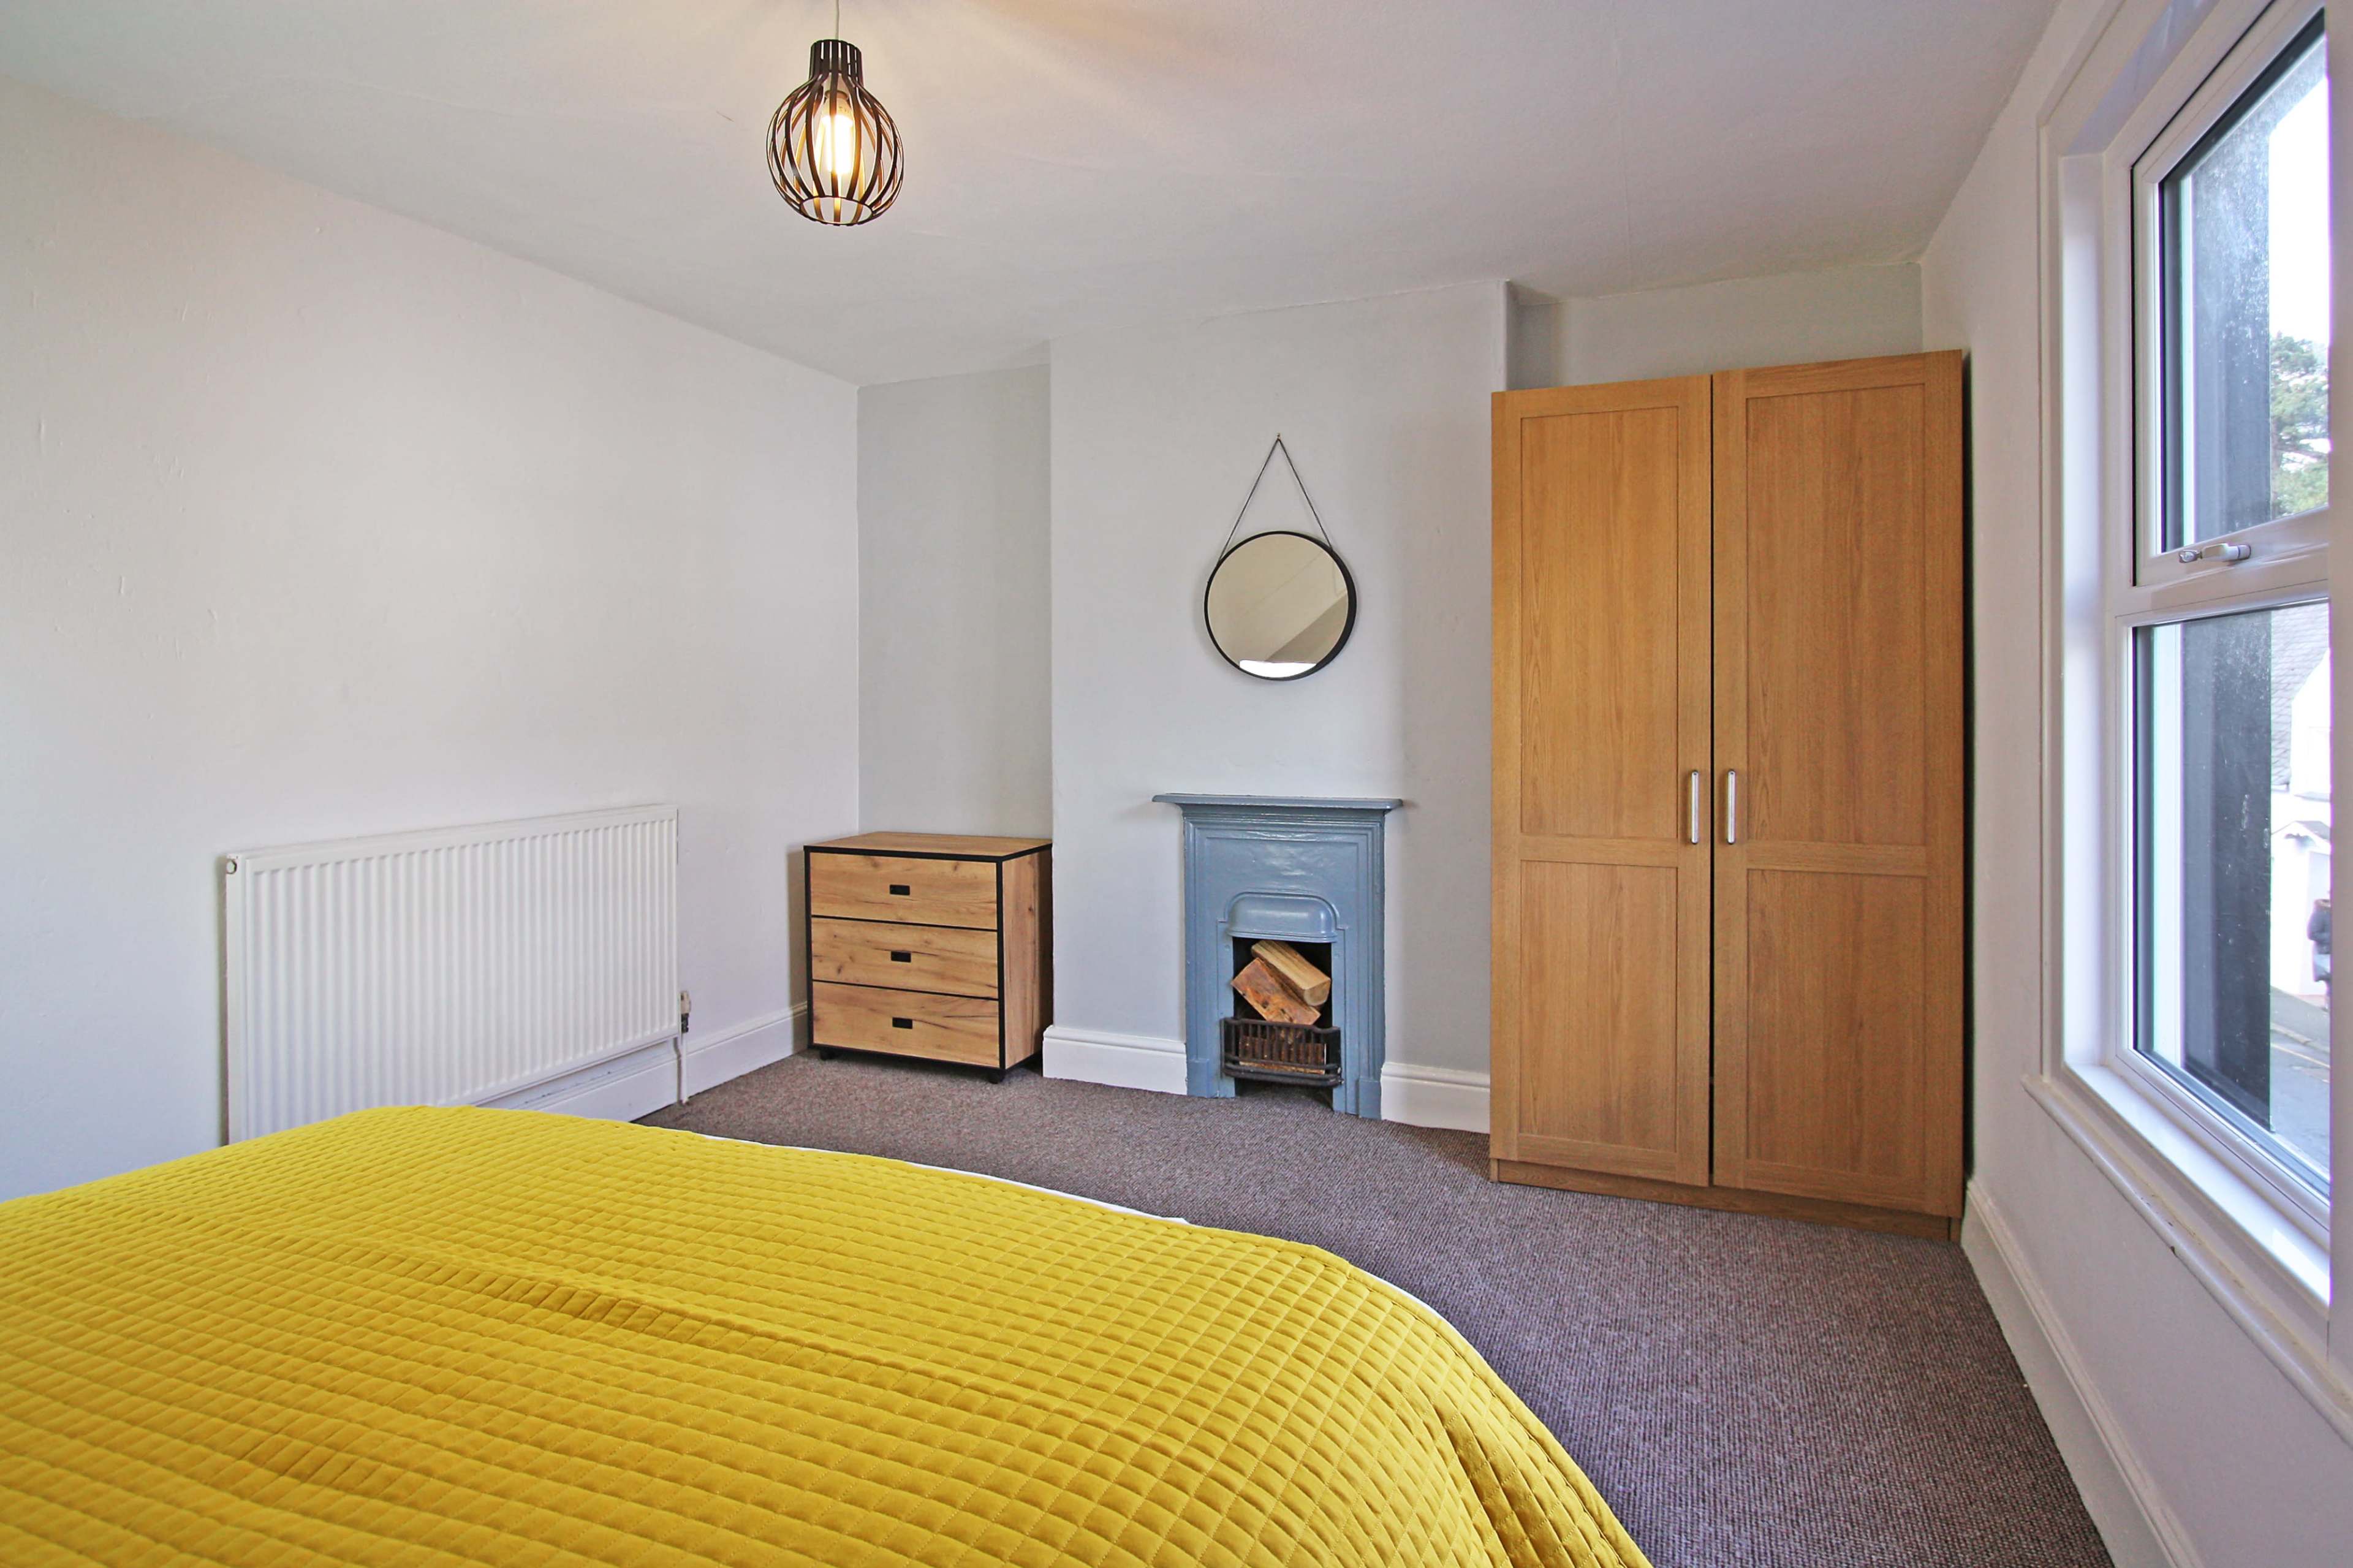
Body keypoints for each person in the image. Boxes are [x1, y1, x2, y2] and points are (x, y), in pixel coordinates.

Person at [2308, 896, 2332, 999]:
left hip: (2337, 954)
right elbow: (2312, 934)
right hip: (2327, 954)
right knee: (2333, 983)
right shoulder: (2321, 912)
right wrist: (2334, 937)